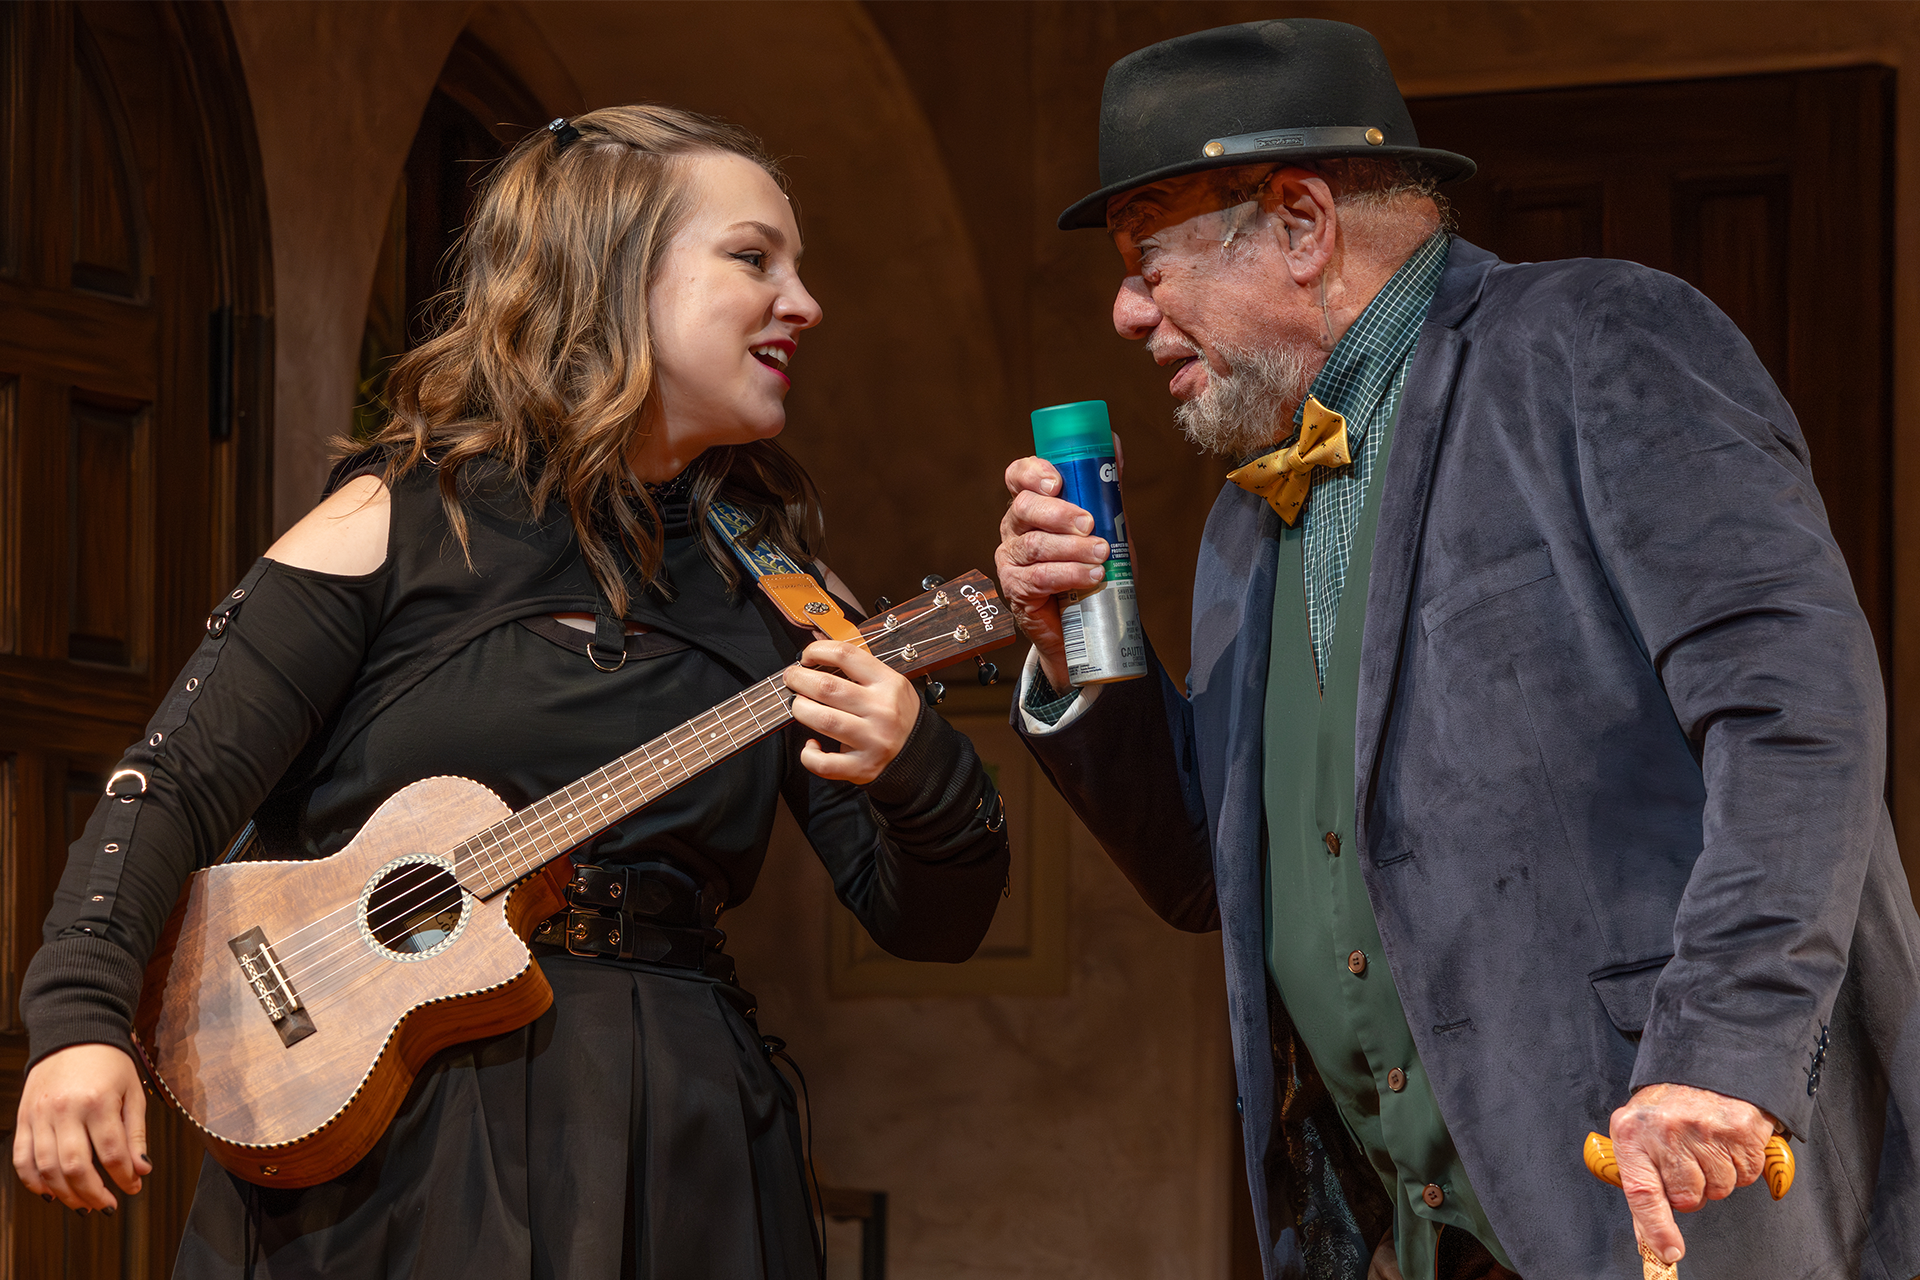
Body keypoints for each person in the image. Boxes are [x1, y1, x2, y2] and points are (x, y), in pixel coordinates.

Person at [13, 105, 1010, 1279]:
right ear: (612, 272)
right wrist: (78, 1022)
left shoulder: (782, 591)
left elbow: (930, 919)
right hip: (399, 1153)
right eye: (753, 259)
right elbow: (170, 782)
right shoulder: (396, 520)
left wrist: (918, 768)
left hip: (673, 1139)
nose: (804, 302)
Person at [996, 19, 1920, 1280]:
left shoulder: (1599, 343)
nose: (1124, 311)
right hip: (1402, 1235)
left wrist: (1722, 1051)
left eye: (1146, 259)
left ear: (1303, 223)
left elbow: (1796, 715)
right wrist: (1073, 665)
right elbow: (1205, 873)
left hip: (1660, 1190)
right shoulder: (1238, 521)